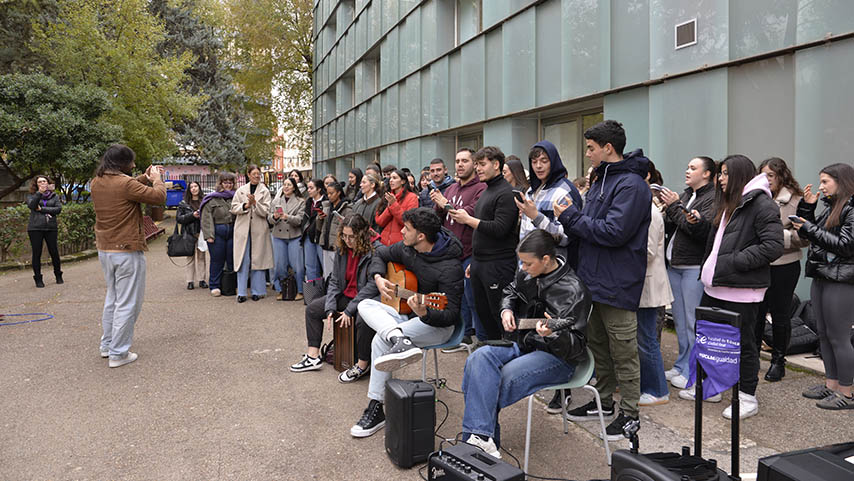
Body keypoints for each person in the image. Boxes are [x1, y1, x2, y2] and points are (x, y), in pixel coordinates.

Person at [554, 120, 651, 440]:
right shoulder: (600, 180)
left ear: (608, 148)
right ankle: (605, 401)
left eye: (591, 148)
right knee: (597, 344)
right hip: (593, 279)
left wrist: (569, 216)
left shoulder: (632, 186)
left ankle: (631, 414)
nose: (587, 154)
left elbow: (613, 232)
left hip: (618, 281)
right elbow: (589, 228)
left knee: (624, 349)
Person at [461, 230, 591, 458]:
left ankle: (478, 445)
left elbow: (576, 347)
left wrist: (553, 334)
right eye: (521, 262)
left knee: (487, 383)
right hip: (523, 342)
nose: (522, 268)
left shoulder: (574, 290)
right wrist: (506, 309)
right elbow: (510, 290)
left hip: (557, 357)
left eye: (528, 264)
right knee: (477, 359)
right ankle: (482, 442)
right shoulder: (528, 273)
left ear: (546, 260)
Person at [350, 208, 464, 438]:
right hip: (407, 315)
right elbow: (380, 254)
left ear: (421, 236)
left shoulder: (450, 268)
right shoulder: (408, 248)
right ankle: (399, 338)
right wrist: (379, 277)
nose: (401, 231)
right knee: (364, 305)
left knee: (379, 342)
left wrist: (425, 313)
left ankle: (375, 408)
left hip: (436, 325)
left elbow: (451, 313)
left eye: (407, 228)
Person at [694, 155, 783, 419]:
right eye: (719, 173)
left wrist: (730, 262)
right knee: (713, 340)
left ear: (739, 175)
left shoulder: (761, 204)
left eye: (724, 174)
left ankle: (746, 397)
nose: (719, 179)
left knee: (744, 345)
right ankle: (716, 386)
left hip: (742, 290)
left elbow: (773, 246)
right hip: (715, 286)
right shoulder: (730, 202)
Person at [90, 144, 166, 367]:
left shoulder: (97, 181)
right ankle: (119, 353)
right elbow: (158, 197)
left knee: (113, 299)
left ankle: (108, 345)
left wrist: (144, 176)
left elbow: (128, 187)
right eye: (131, 162)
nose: (133, 165)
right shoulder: (125, 183)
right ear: (122, 163)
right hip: (126, 251)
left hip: (106, 249)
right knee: (128, 303)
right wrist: (157, 179)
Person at [290, 214, 380, 382]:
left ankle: (362, 365)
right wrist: (331, 307)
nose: (347, 240)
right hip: (346, 295)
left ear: (362, 234)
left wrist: (349, 310)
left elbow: (371, 287)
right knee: (313, 309)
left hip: (366, 300)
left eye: (352, 237)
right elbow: (335, 281)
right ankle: (313, 356)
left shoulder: (375, 250)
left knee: (363, 320)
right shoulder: (342, 248)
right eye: (344, 235)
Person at [793, 163, 854, 410]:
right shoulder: (832, 207)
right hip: (823, 275)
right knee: (824, 334)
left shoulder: (851, 208)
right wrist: (807, 209)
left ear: (842, 182)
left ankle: (847, 393)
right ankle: (831, 385)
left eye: (825, 182)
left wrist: (809, 227)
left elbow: (845, 245)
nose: (820, 187)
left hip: (842, 279)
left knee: (839, 337)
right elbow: (812, 236)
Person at [658, 156, 717, 390]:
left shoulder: (711, 198)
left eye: (693, 168)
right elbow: (676, 224)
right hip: (676, 265)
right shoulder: (685, 195)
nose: (687, 170)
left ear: (707, 174)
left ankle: (695, 370)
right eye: (687, 166)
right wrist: (669, 209)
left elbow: (697, 231)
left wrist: (675, 207)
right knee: (680, 321)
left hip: (693, 266)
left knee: (693, 322)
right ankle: (682, 363)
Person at [450, 146, 519, 341]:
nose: (478, 168)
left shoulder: (506, 193)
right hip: (480, 264)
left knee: (500, 318)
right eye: (477, 164)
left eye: (482, 164)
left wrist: (467, 219)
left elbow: (500, 228)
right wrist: (476, 260)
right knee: (484, 316)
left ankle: (506, 358)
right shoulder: (489, 190)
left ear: (496, 165)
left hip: (497, 265)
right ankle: (490, 354)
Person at [750, 158, 808, 382]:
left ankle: (778, 361)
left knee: (780, 314)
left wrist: (775, 238)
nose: (767, 180)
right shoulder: (756, 197)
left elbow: (804, 238)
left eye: (771, 176)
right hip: (758, 264)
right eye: (763, 175)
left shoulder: (796, 200)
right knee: (755, 313)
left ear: (782, 176)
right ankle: (752, 358)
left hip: (784, 265)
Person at [431, 147, 487, 349]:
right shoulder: (452, 188)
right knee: (456, 298)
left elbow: (469, 214)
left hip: (471, 252)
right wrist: (438, 206)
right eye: (457, 161)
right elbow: (439, 218)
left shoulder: (480, 188)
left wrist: (445, 203)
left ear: (474, 164)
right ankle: (463, 335)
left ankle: (481, 339)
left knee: (474, 299)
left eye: (465, 161)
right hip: (450, 253)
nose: (460, 164)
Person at [637, 162, 673, 406]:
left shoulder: (649, 212)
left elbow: (647, 252)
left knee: (647, 339)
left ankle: (657, 390)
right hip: (643, 284)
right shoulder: (643, 210)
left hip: (649, 285)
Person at [516, 141, 583, 269]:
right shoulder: (531, 190)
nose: (538, 166)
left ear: (553, 161)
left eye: (544, 161)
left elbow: (566, 237)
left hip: (552, 271)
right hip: (527, 268)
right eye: (534, 162)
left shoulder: (564, 191)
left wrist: (536, 216)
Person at [231, 165, 274, 303]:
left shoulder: (265, 191)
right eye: (254, 173)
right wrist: (245, 206)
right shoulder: (241, 191)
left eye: (258, 174)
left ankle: (258, 291)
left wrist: (255, 204)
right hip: (243, 229)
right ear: (248, 175)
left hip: (259, 229)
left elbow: (266, 212)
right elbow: (233, 208)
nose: (257, 176)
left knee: (258, 259)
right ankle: (242, 292)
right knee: (243, 259)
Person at [268, 178, 305, 301]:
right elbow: (269, 219)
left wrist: (287, 217)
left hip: (294, 235)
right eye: (284, 184)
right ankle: (281, 289)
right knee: (279, 265)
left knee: (297, 266)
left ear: (294, 187)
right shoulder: (276, 201)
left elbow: (300, 219)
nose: (286, 187)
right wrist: (274, 216)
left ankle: (299, 290)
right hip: (278, 236)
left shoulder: (300, 201)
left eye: (289, 185)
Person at [201, 173, 236, 296]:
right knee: (217, 260)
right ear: (220, 183)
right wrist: (209, 235)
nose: (228, 185)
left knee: (232, 260)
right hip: (217, 232)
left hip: (233, 232)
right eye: (225, 182)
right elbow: (206, 218)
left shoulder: (236, 197)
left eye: (230, 182)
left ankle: (231, 285)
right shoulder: (212, 199)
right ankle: (215, 285)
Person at [26, 175, 62, 287]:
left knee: (54, 252)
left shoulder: (54, 196)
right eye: (40, 182)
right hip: (35, 228)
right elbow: (32, 206)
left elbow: (58, 209)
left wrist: (42, 209)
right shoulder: (32, 195)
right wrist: (39, 193)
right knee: (37, 253)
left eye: (44, 181)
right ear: (36, 184)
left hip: (50, 228)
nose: (42, 183)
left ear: (48, 183)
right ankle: (38, 278)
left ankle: (58, 275)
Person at [317, 181, 353, 277]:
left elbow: (350, 226)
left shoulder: (347, 208)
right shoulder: (328, 207)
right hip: (326, 244)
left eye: (331, 193)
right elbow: (320, 227)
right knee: (327, 275)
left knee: (337, 274)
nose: (329, 196)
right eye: (327, 193)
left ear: (339, 193)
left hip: (337, 246)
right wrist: (320, 218)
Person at [175, 181, 207, 290]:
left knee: (201, 257)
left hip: (202, 233)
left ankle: (202, 280)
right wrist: (192, 215)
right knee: (190, 257)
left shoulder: (204, 201)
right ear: (189, 190)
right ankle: (190, 281)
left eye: (195, 186)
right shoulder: (183, 203)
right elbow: (179, 219)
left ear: (199, 187)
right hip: (189, 233)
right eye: (191, 187)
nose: (194, 189)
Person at [375, 168, 418, 246]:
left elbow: (408, 221)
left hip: (401, 243)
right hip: (384, 242)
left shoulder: (412, 197)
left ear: (403, 181)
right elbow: (380, 221)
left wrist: (394, 204)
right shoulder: (387, 196)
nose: (391, 180)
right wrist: (390, 206)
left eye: (394, 178)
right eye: (390, 178)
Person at [303, 179, 327, 281]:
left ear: (319, 189)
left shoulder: (325, 202)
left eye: (311, 188)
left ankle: (326, 290)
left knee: (324, 265)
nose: (309, 190)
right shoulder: (308, 202)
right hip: (309, 236)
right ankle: (313, 291)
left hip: (321, 236)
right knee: (310, 266)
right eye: (308, 188)